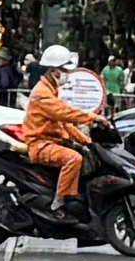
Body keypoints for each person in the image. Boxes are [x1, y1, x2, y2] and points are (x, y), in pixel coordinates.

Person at [14, 43, 90, 209]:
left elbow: (64, 124)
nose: (66, 75)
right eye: (64, 70)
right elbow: (65, 113)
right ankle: (59, 202)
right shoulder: (42, 93)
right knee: (74, 158)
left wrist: (86, 141)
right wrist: (93, 118)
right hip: (41, 144)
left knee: (81, 153)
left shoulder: (52, 90)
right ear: (54, 70)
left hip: (52, 141)